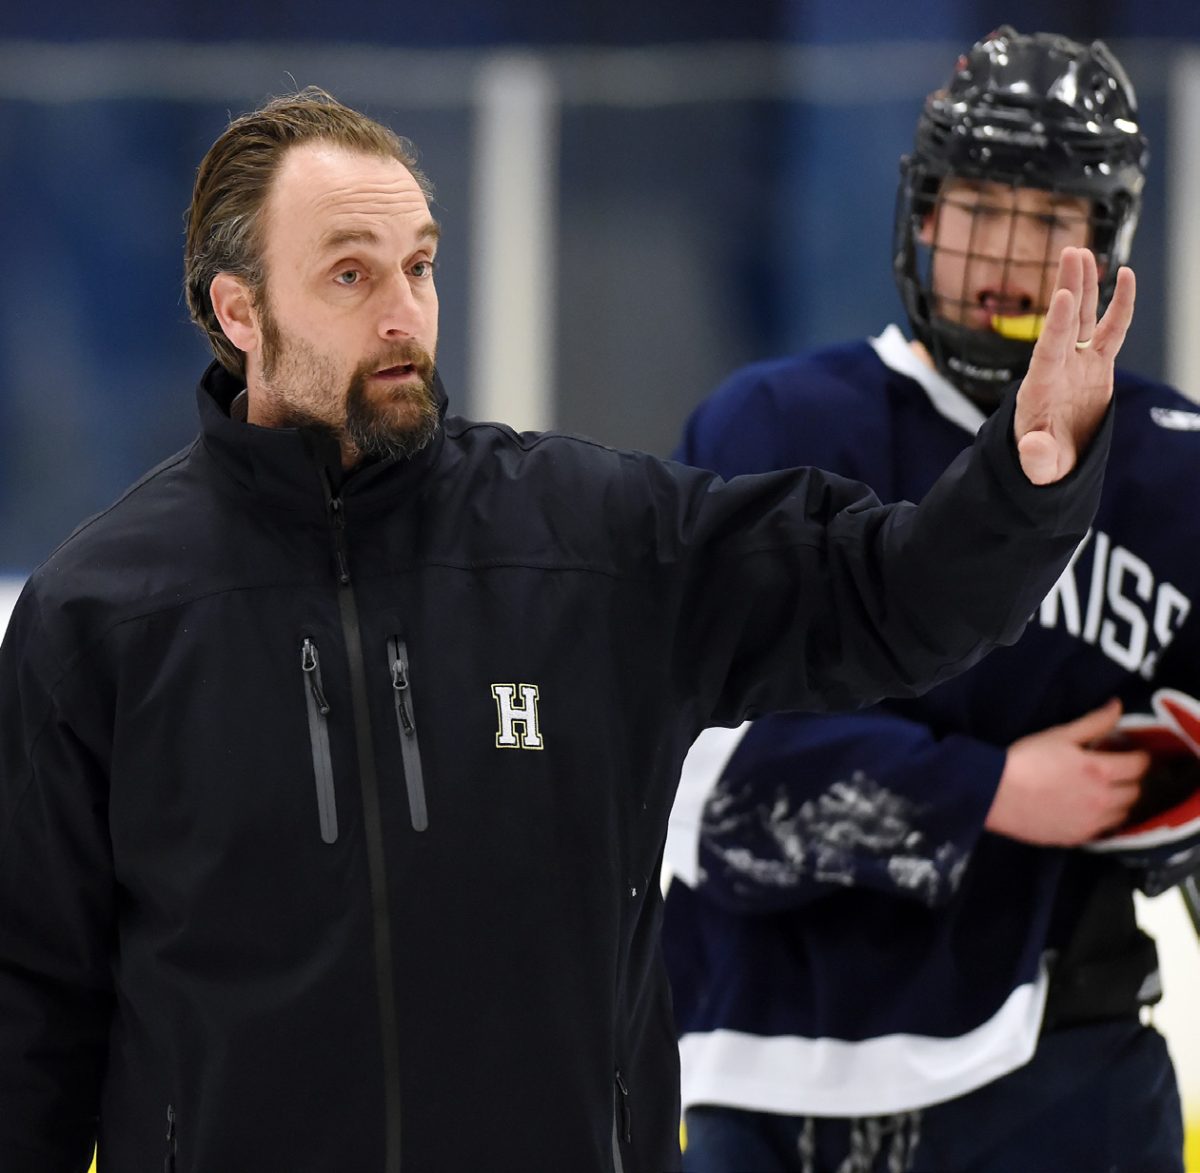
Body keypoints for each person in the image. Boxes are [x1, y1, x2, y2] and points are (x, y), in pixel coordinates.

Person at [0, 87, 1131, 1173]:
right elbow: (29, 1013)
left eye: (422, 266)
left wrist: (1026, 482)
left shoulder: (593, 545)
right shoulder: (104, 619)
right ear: (237, 310)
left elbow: (890, 596)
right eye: (350, 274)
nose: (405, 312)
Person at [662, 27, 1193, 1173]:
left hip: (1064, 1064)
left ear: (1105, 241)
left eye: (1046, 220)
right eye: (976, 209)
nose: (1004, 257)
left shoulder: (1174, 469)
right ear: (921, 215)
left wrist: (1172, 790)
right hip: (769, 1059)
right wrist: (993, 789)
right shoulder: (770, 429)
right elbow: (697, 783)